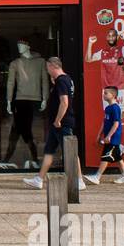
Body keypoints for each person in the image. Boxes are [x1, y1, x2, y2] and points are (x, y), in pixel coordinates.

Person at [24, 57, 83, 190]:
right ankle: (39, 179)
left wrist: (58, 120)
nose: (47, 70)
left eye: (47, 67)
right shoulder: (66, 79)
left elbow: (65, 102)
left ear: (52, 66)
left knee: (71, 152)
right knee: (49, 151)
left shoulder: (62, 81)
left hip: (62, 123)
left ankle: (79, 180)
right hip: (56, 125)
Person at [4, 39, 46, 168]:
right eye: (17, 46)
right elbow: (10, 83)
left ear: (28, 46)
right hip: (20, 100)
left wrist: (45, 98)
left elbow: (44, 80)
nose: (19, 48)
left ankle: (9, 159)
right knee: (22, 130)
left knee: (21, 130)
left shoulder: (41, 62)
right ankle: (32, 159)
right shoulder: (15, 63)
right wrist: (9, 100)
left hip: (34, 100)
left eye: (21, 45)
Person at [86, 86, 124, 185]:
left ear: (113, 95)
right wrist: (99, 135)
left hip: (113, 138)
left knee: (106, 156)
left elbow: (116, 124)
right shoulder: (108, 108)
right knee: (118, 157)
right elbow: (104, 122)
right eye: (103, 93)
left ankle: (97, 177)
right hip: (109, 137)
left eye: (106, 93)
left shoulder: (115, 108)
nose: (103, 95)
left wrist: (109, 136)